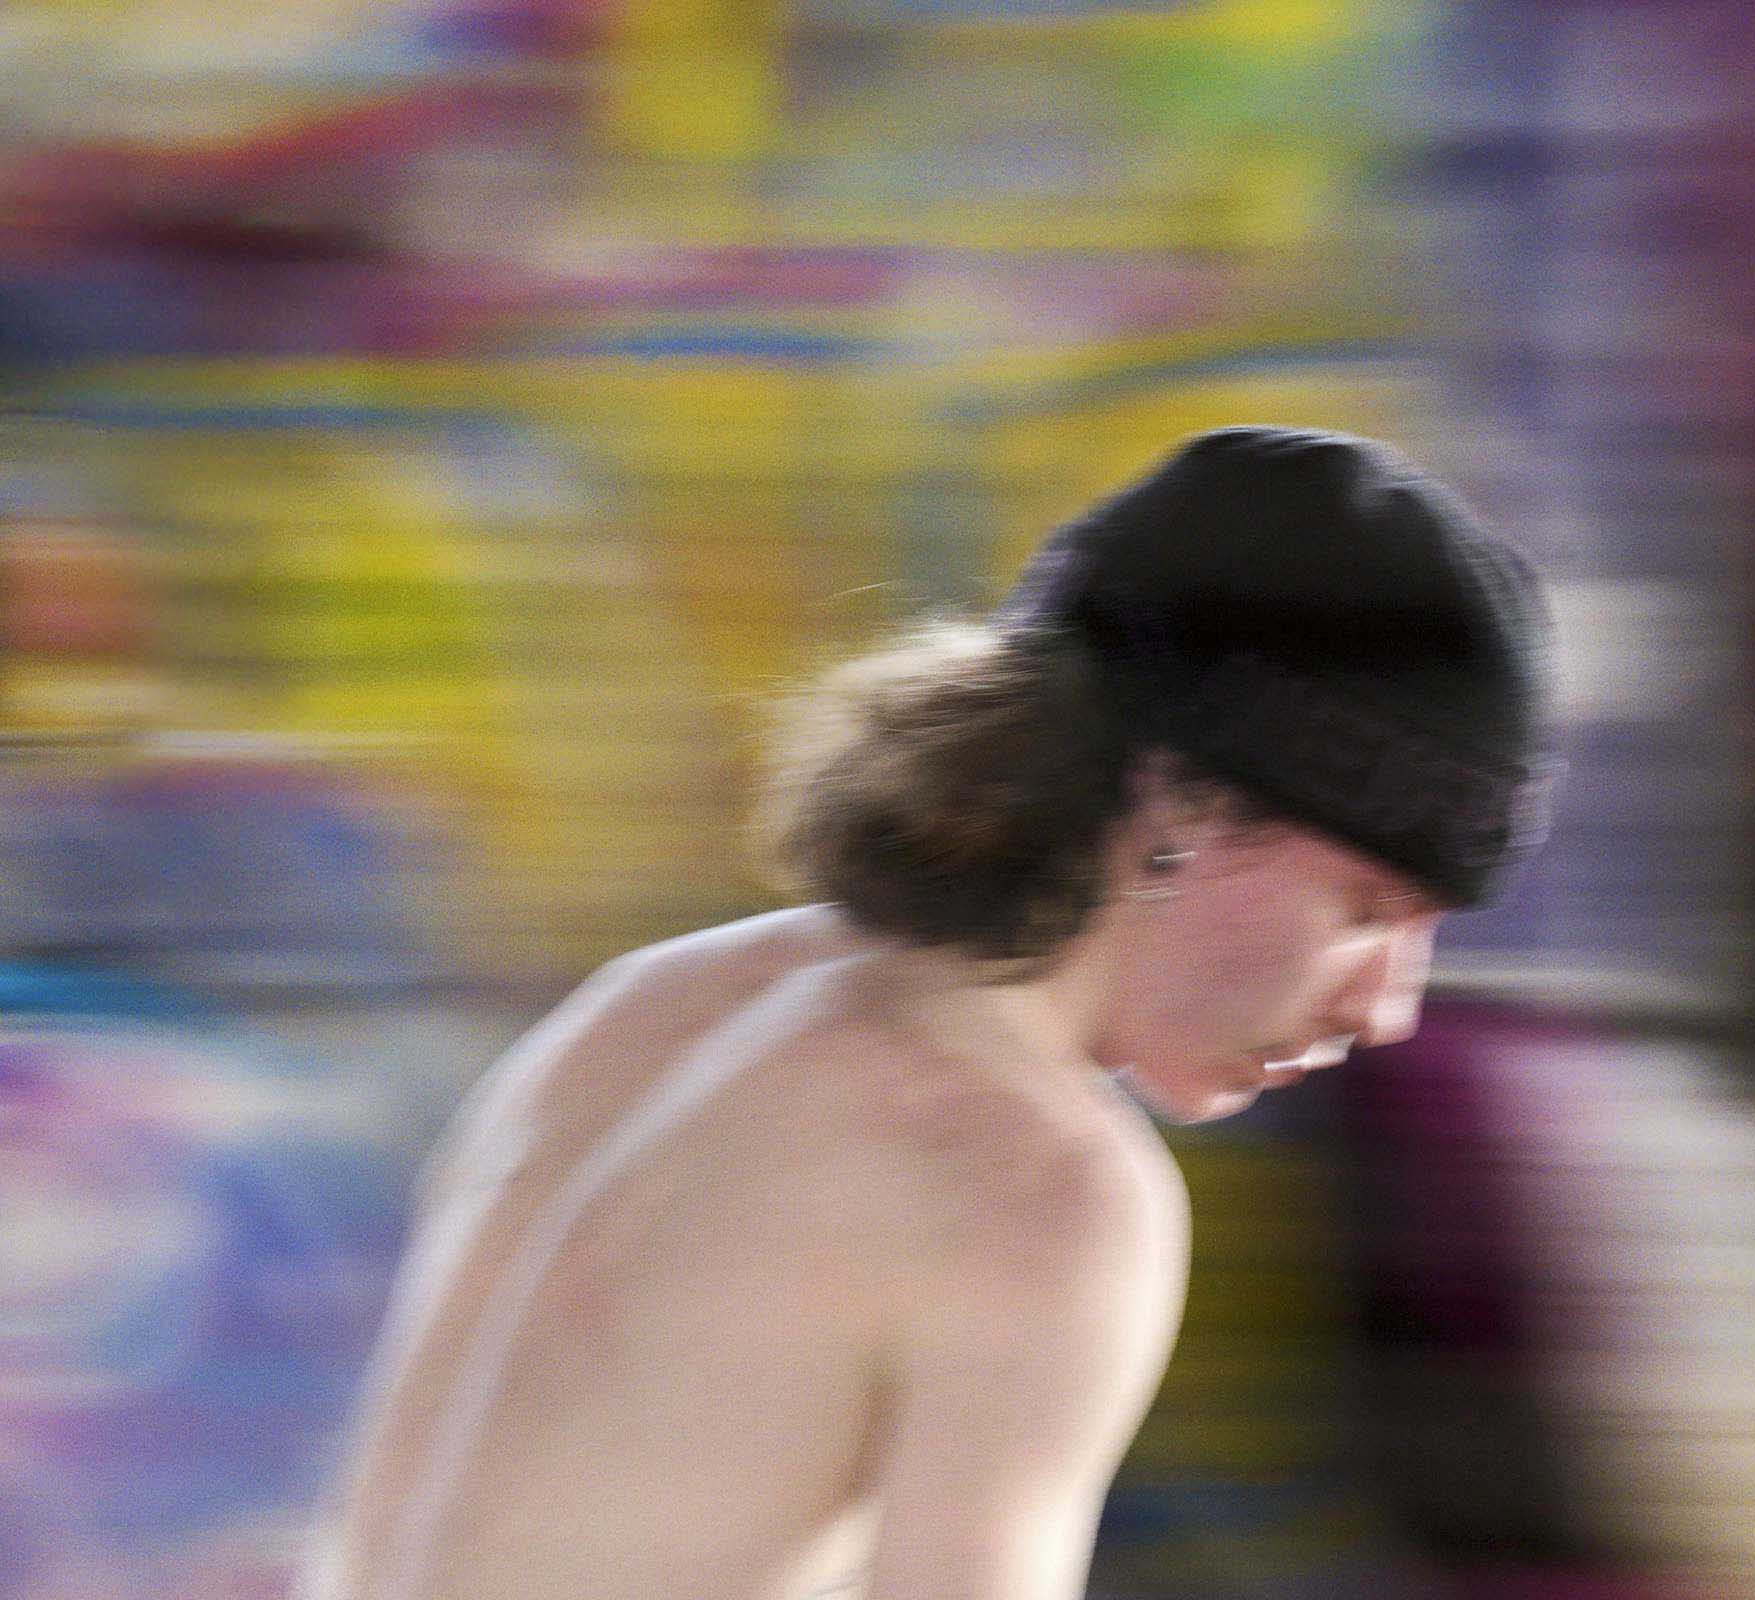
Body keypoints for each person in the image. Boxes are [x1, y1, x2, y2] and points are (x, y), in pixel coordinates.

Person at [305, 426, 1558, 1600]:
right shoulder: (1032, 1186)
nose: (1387, 1007)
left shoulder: (650, 1005)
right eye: (1365, 910)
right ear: (1182, 801)